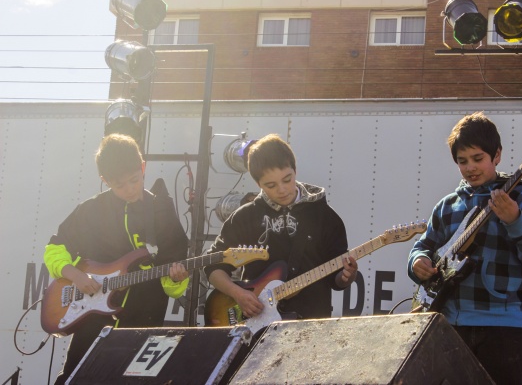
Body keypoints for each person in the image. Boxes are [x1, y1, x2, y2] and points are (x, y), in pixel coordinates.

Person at [407, 112, 522, 385]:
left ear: (496, 155)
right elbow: (424, 245)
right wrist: (418, 261)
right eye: (462, 161)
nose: (470, 168)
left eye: (478, 159)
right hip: (450, 325)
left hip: (507, 328)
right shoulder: (447, 205)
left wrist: (515, 222)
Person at [44, 133, 189, 384]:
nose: (130, 189)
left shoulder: (162, 210)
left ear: (142, 167)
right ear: (105, 180)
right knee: (76, 378)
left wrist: (176, 279)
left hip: (146, 321)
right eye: (119, 185)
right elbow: (55, 248)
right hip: (93, 321)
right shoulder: (91, 210)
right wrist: (75, 274)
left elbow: (172, 280)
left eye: (135, 179)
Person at [204, 134, 358, 326]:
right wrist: (239, 294)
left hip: (310, 325)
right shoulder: (245, 217)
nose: (282, 189)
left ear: (295, 170)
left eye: (287, 179)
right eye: (271, 185)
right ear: (258, 184)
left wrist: (346, 276)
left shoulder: (325, 217)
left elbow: (337, 280)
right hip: (256, 325)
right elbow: (213, 266)